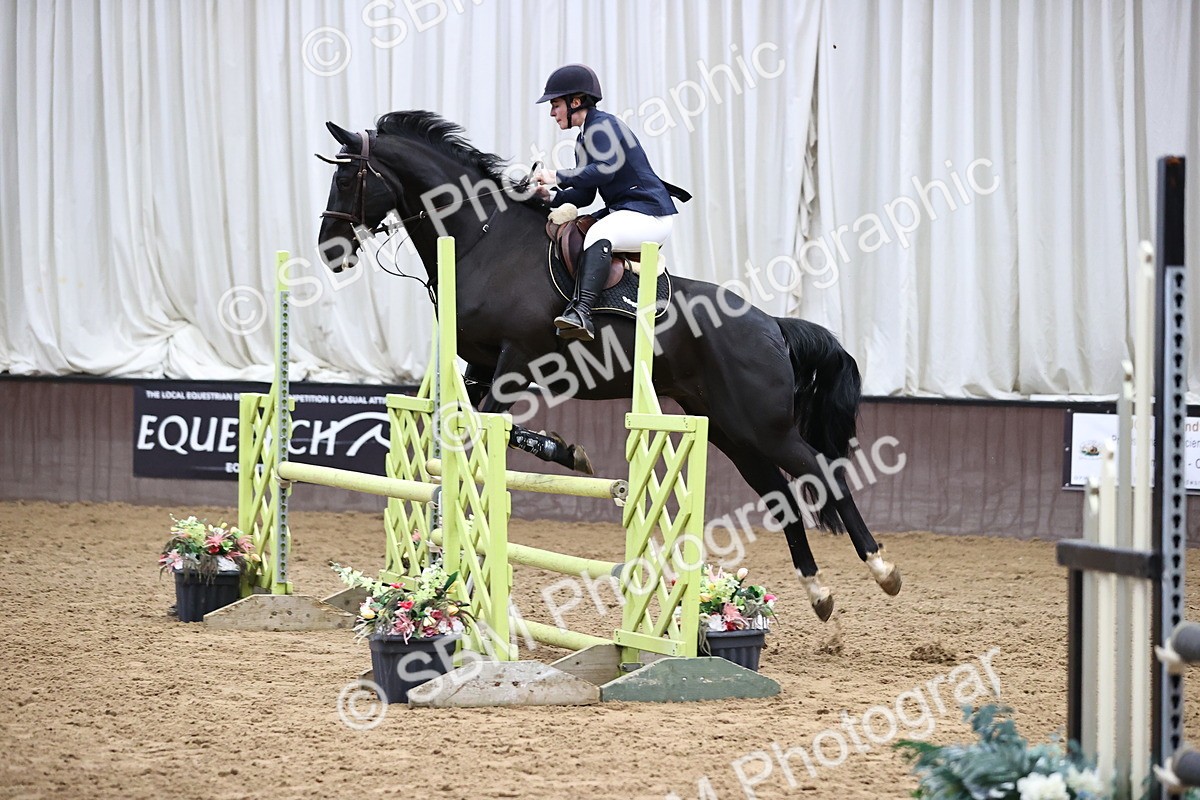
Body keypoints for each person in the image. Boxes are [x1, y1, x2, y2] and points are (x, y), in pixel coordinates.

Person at [533, 64, 689, 341]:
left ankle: (581, 311)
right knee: (583, 226)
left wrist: (556, 174)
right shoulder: (583, 138)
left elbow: (605, 169)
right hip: (629, 212)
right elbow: (585, 195)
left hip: (650, 215)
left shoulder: (603, 125)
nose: (551, 112)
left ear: (576, 101)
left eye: (556, 104)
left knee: (599, 232)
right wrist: (551, 197)